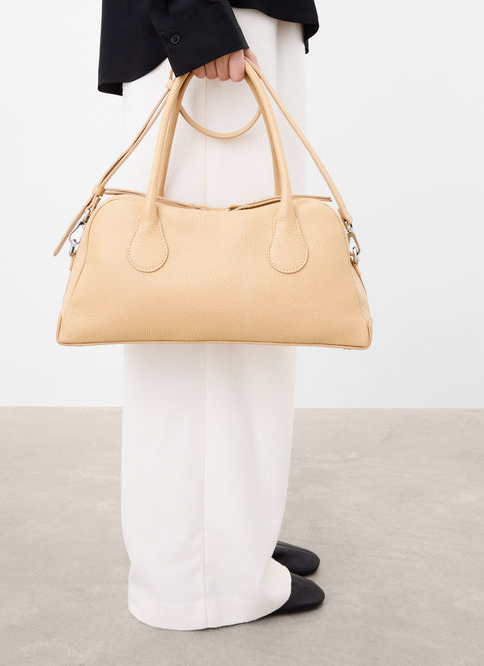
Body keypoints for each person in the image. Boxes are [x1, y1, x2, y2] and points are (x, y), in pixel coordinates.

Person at [98, 1, 325, 630]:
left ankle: (234, 540)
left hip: (243, 26)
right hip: (213, 31)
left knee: (256, 314)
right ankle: (201, 579)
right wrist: (194, 17)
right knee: (201, 322)